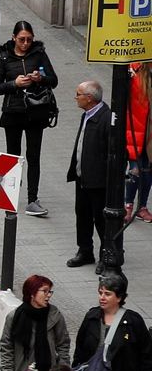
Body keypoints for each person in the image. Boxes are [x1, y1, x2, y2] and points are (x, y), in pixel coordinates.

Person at [0, 21, 58, 215]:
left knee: (34, 156)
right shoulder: (3, 57)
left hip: (36, 112)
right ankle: (10, 197)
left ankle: (32, 200)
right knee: (13, 156)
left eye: (29, 39)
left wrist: (40, 78)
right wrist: (14, 83)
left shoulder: (39, 54)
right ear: (14, 38)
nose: (26, 43)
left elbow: (53, 80)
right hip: (13, 112)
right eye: (22, 39)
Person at [66, 81, 116, 268]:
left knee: (101, 219)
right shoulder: (87, 115)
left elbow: (113, 152)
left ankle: (107, 254)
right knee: (83, 215)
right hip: (83, 177)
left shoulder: (107, 119)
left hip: (98, 181)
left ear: (89, 98)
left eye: (78, 94)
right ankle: (85, 250)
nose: (75, 97)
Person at [0, 274, 72, 371]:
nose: (49, 295)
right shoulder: (14, 317)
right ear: (32, 293)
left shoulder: (55, 315)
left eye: (50, 291)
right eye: (45, 291)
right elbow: (6, 346)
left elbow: (63, 345)